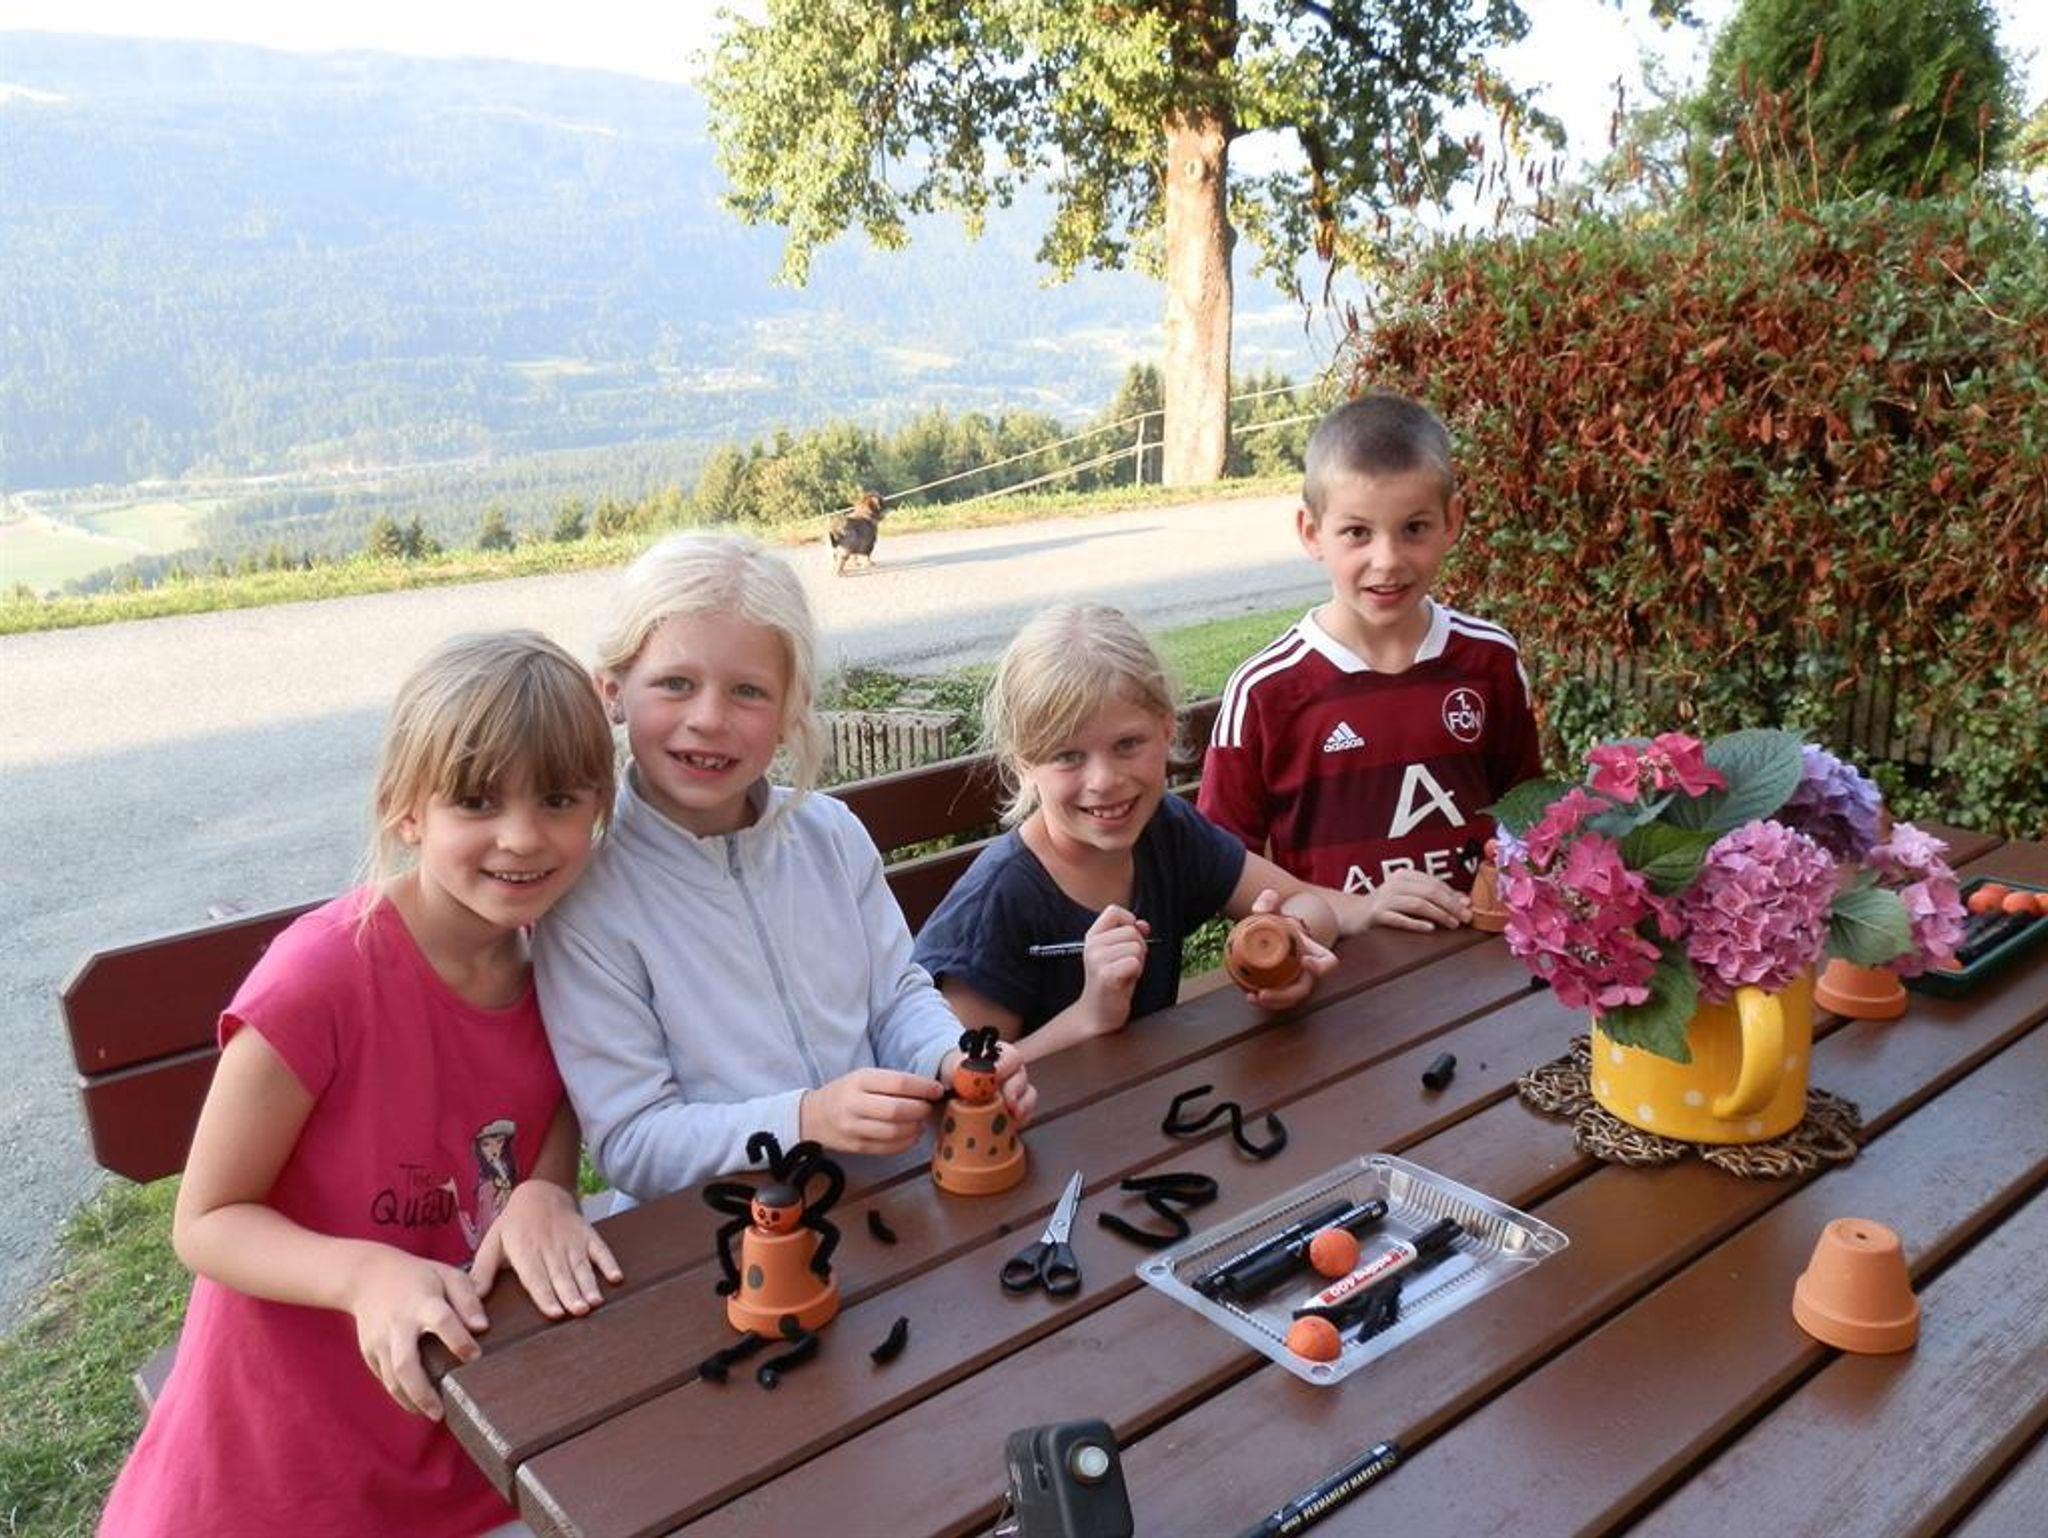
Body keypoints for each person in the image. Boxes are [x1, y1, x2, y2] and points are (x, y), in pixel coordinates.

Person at [100, 631, 625, 1538]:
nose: (522, 836)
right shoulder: (319, 979)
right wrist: (365, 1275)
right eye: (476, 800)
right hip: (271, 1483)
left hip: (467, 1456)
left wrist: (544, 1188)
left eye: (558, 798)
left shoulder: (566, 964)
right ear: (406, 811)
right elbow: (207, 1219)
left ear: (599, 807)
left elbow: (551, 1104)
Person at [534, 533, 1033, 1202]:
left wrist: (952, 1056)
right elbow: (634, 1145)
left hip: (879, 1197)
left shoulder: (831, 836)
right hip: (715, 1231)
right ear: (614, 692)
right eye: (676, 684)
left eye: (748, 692)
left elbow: (896, 998)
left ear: (790, 710)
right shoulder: (588, 901)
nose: (709, 719)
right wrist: (805, 1119)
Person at [913, 603, 1371, 1063]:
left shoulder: (1167, 830)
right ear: (1024, 765)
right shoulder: (1000, 902)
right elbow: (961, 1078)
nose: (1104, 780)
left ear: (1167, 729)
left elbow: (1304, 901)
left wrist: (1290, 944)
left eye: (1127, 744)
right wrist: (1089, 1017)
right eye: (1068, 756)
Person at [1198, 392, 1541, 921]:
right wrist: (1356, 911)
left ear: (1452, 521)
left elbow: (1528, 819)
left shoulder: (1489, 659)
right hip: (1341, 967)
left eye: (1414, 528)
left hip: (1480, 958)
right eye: (1357, 533)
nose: (1387, 561)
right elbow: (1220, 872)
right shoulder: (1266, 690)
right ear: (1312, 532)